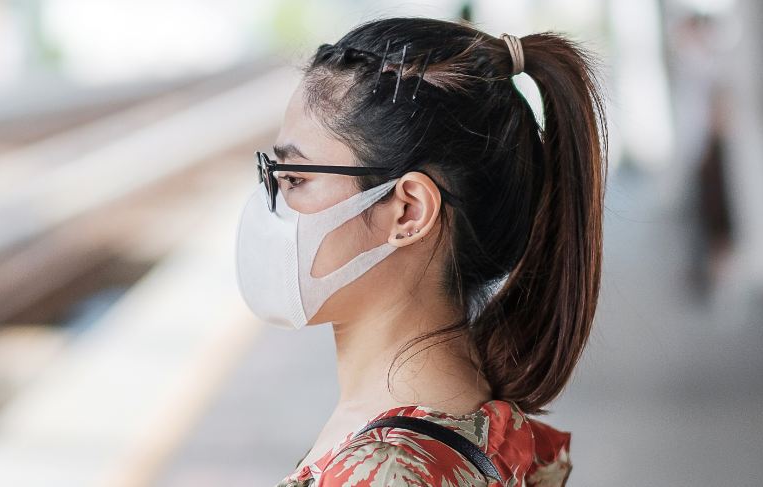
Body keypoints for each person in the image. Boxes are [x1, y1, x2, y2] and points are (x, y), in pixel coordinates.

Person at [232, 17, 606, 486]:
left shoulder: (384, 474)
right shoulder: (485, 425)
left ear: (409, 211)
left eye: (295, 178)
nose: (271, 204)